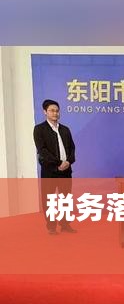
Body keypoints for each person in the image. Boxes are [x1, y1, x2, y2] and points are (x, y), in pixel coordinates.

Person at [33, 99, 77, 235]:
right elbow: (42, 150)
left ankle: (65, 224)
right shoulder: (39, 129)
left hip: (66, 170)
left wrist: (68, 162)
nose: (55, 113)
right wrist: (58, 163)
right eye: (52, 110)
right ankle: (51, 226)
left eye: (57, 111)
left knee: (65, 199)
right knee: (49, 200)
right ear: (45, 112)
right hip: (50, 171)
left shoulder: (65, 129)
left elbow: (72, 148)